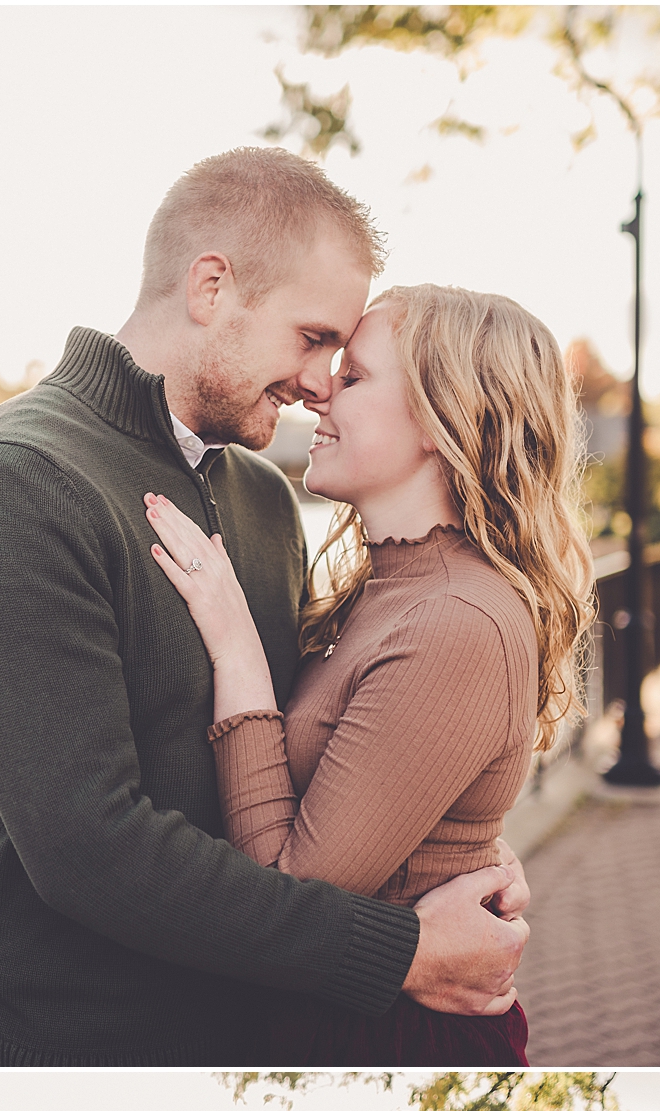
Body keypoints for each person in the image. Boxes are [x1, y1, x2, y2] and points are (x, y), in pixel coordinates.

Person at [0, 147, 531, 1067]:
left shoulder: (260, 493)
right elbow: (89, 848)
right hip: (84, 1046)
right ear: (212, 287)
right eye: (313, 337)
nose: (321, 380)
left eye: (340, 355)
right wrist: (396, 952)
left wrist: (452, 856)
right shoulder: (18, 482)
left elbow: (324, 750)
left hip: (266, 1031)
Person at [141, 280, 594, 1063]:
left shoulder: (457, 621)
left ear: (440, 418)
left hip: (392, 1041)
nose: (319, 394)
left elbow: (291, 896)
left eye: (353, 378)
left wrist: (237, 649)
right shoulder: (389, 590)